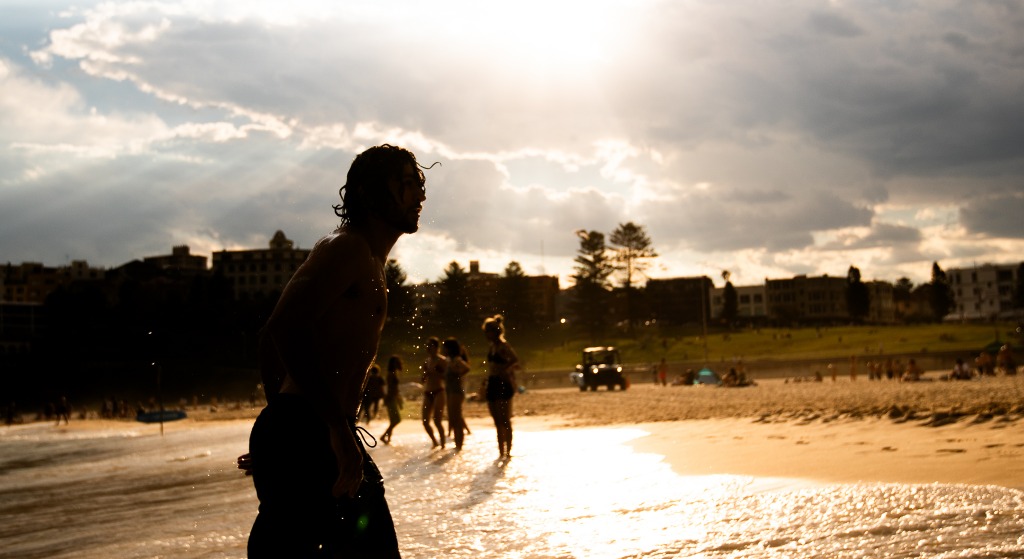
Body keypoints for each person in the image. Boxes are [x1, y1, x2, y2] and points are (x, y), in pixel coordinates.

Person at [245, 144, 429, 558]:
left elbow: (270, 340)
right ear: (367, 192)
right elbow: (282, 327)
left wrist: (284, 430)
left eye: (419, 184)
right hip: (313, 433)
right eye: (406, 184)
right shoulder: (347, 249)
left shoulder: (369, 261)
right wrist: (318, 431)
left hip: (311, 432)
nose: (419, 195)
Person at [483, 314, 518, 459]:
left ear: (494, 331)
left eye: (487, 331)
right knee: (497, 420)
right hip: (492, 382)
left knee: (505, 419)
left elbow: (514, 359)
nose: (485, 334)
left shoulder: (503, 346)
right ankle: (501, 452)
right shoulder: (492, 347)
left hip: (503, 383)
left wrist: (504, 370)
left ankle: (508, 451)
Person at [442, 338, 471, 451]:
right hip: (450, 390)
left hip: (456, 391)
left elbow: (467, 368)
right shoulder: (449, 360)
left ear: (449, 349)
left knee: (456, 418)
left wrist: (458, 374)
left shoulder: (456, 360)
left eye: (444, 347)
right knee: (453, 418)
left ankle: (459, 445)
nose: (442, 349)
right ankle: (457, 445)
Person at [420, 337, 447, 448]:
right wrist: (425, 374)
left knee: (437, 420)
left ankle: (443, 444)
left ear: (436, 347)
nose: (428, 348)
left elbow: (447, 377)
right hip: (427, 391)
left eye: (430, 345)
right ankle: (434, 442)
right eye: (427, 346)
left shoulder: (442, 360)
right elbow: (422, 380)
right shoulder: (426, 361)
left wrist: (437, 373)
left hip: (439, 391)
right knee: (425, 422)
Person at [381, 356, 404, 445]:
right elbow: (392, 389)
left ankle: (388, 439)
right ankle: (383, 436)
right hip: (391, 398)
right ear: (393, 364)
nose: (398, 364)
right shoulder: (391, 374)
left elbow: (394, 389)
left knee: (393, 420)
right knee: (397, 420)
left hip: (391, 398)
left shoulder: (393, 373)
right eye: (396, 362)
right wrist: (398, 400)